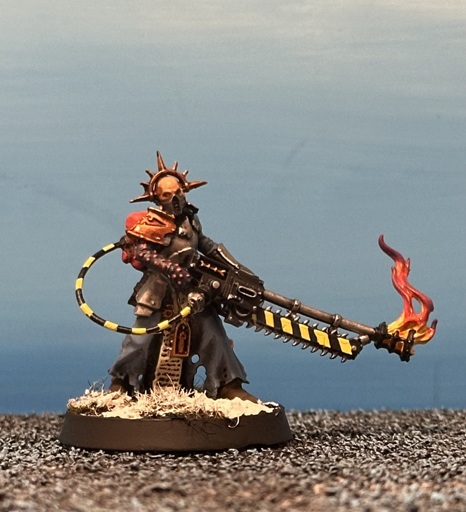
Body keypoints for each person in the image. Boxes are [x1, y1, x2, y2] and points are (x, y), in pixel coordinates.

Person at [109, 152, 257, 402]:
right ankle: (121, 383)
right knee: (140, 338)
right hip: (158, 291)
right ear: (157, 197)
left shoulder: (190, 220)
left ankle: (229, 384)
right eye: (167, 194)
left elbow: (206, 245)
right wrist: (170, 269)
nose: (175, 199)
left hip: (193, 288)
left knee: (214, 334)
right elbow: (143, 253)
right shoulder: (152, 223)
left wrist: (234, 267)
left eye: (178, 192)